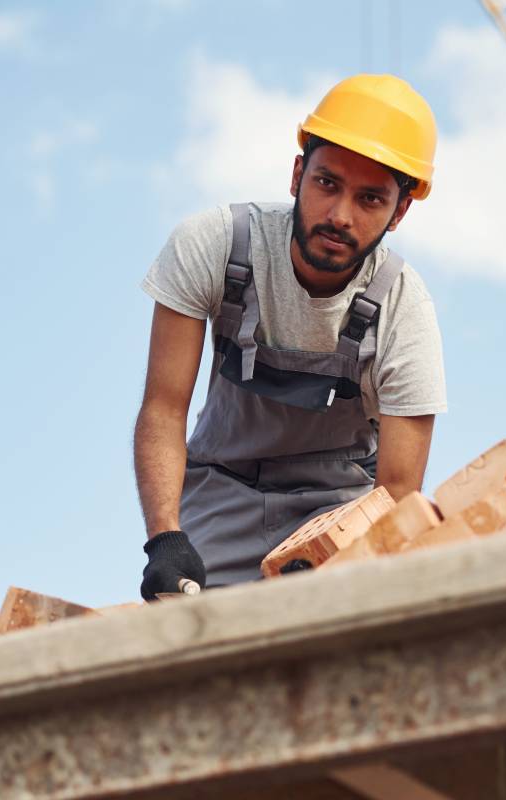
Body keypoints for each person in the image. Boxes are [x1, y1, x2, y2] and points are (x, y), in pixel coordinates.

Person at [134, 74, 447, 597]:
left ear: (400, 211)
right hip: (220, 491)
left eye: (370, 199)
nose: (340, 216)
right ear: (297, 173)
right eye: (327, 184)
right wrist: (166, 539)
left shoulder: (403, 308)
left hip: (340, 506)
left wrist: (339, 556)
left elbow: (396, 490)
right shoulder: (216, 245)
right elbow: (164, 408)